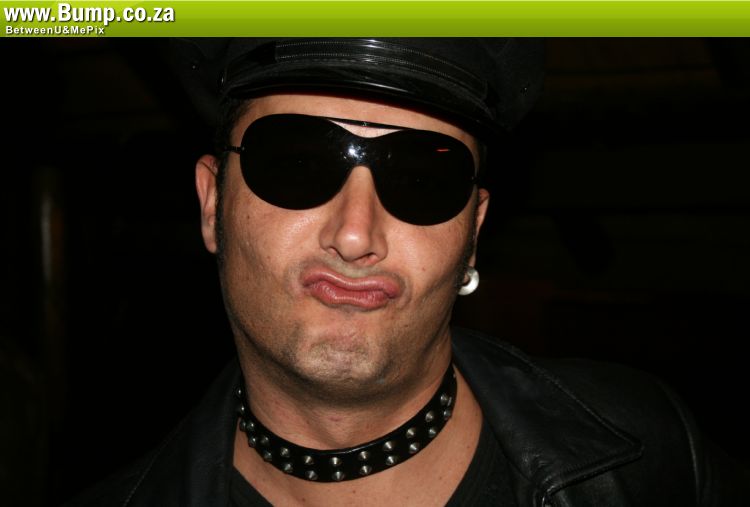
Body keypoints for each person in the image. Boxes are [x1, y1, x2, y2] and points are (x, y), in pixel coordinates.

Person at [66, 38, 747, 507]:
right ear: (213, 205)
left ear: (474, 232)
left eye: (422, 179)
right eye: (297, 162)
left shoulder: (651, 454)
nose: (355, 234)